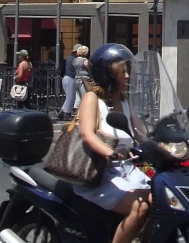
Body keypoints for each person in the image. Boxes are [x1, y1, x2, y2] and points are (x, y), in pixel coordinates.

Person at [74, 43, 150, 243]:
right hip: (99, 174)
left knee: (162, 200)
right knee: (140, 206)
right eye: (122, 72)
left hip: (125, 171)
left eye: (128, 71)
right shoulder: (92, 99)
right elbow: (87, 135)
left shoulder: (124, 100)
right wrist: (110, 153)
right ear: (107, 75)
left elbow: (141, 133)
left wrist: (164, 145)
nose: (127, 76)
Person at [58, 45, 80, 121]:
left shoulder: (69, 58)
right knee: (71, 97)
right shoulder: (73, 59)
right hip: (70, 78)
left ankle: (62, 112)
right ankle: (66, 114)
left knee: (69, 97)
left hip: (67, 78)